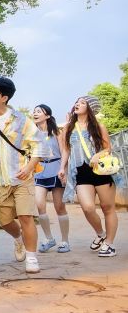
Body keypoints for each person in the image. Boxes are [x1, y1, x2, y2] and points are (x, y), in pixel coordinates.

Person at [0, 77, 45, 273]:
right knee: (4, 222)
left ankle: (31, 257)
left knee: (26, 217)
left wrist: (29, 167)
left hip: (22, 178)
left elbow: (39, 145)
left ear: (4, 97)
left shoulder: (21, 120)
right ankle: (19, 239)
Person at [60, 96, 119, 257]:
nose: (77, 104)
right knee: (87, 207)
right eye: (76, 102)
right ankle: (101, 234)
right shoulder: (68, 128)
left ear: (90, 108)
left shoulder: (99, 126)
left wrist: (97, 155)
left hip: (100, 171)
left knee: (107, 208)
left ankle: (109, 244)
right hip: (81, 172)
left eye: (82, 102)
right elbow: (66, 150)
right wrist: (62, 168)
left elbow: (108, 148)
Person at [32, 104, 70, 253]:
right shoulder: (31, 134)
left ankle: (65, 241)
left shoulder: (56, 132)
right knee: (39, 205)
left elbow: (65, 151)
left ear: (47, 116)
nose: (35, 113)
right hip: (39, 171)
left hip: (56, 170)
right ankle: (49, 238)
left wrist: (63, 169)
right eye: (34, 111)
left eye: (39, 111)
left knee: (59, 206)